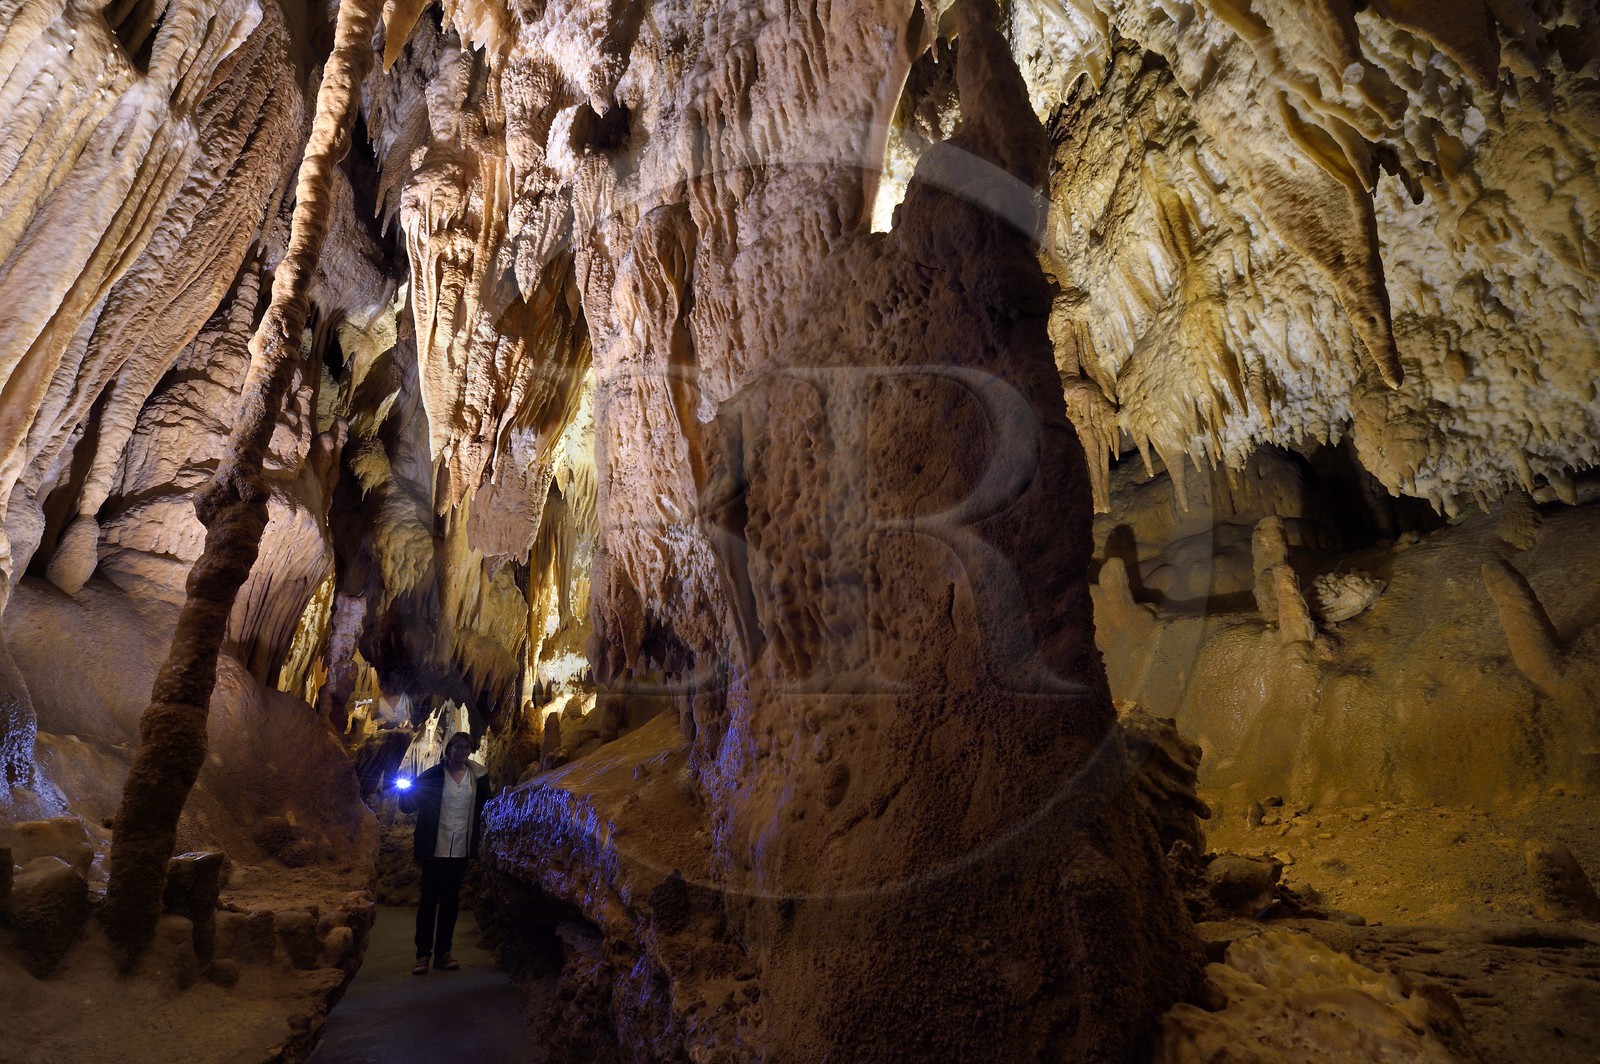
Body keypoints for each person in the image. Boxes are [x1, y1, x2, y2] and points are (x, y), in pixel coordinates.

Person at [398, 730, 492, 974]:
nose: (461, 751)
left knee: (451, 902)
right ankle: (422, 954)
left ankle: (444, 953)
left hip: (460, 847)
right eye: (457, 747)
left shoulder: (478, 777)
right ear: (448, 750)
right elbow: (408, 804)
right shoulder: (433, 776)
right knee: (429, 901)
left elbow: (487, 805)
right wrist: (404, 790)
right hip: (434, 846)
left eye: (465, 747)